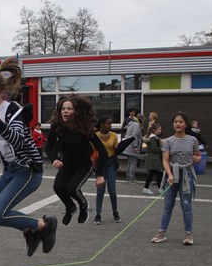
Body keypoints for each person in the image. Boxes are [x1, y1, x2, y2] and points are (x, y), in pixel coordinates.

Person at [0, 58, 56, 257]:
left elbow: (19, 140)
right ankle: (29, 230)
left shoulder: (12, 111)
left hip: (27, 171)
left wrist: (0, 126)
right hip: (9, 171)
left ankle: (44, 226)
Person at [45, 96, 108, 225]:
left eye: (69, 109)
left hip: (84, 164)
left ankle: (83, 205)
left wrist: (100, 175)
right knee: (58, 187)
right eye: (63, 108)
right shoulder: (57, 126)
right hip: (67, 163)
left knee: (72, 189)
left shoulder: (85, 128)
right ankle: (70, 208)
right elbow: (49, 146)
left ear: (76, 112)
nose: (65, 111)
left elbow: (103, 151)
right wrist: (54, 159)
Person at [152, 112, 201, 245]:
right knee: (167, 205)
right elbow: (165, 160)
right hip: (172, 176)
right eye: (175, 122)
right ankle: (161, 232)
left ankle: (188, 234)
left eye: (180, 122)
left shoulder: (193, 140)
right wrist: (170, 174)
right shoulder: (168, 141)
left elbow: (198, 155)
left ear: (186, 124)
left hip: (187, 175)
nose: (178, 124)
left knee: (186, 205)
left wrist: (197, 158)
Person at [94, 117, 120, 224]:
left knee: (112, 190)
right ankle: (98, 214)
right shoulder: (95, 136)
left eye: (111, 124)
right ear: (102, 125)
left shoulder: (113, 135)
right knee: (100, 190)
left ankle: (115, 211)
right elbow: (93, 151)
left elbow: (116, 150)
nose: (110, 126)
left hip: (110, 163)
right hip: (100, 163)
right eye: (108, 123)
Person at [142, 123, 163, 195]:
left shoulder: (154, 138)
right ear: (154, 130)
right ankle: (146, 188)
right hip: (154, 159)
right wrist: (161, 149)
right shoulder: (153, 138)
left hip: (154, 159)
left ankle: (160, 188)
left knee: (158, 174)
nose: (160, 131)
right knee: (154, 174)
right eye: (159, 129)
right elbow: (154, 149)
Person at [122, 112, 143, 183]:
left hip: (128, 146)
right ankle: (132, 178)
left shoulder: (131, 124)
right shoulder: (136, 125)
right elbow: (134, 136)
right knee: (133, 162)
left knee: (130, 162)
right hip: (132, 147)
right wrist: (135, 147)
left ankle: (128, 177)